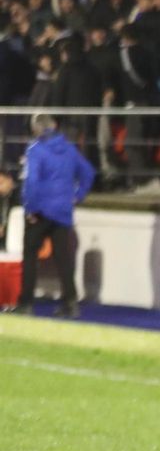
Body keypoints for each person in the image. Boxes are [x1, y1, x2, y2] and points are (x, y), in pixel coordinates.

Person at [11, 114, 94, 317]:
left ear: (36, 129)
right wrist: (78, 195)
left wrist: (30, 209)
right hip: (63, 210)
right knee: (63, 258)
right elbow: (89, 172)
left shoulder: (35, 149)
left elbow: (31, 182)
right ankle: (70, 302)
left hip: (40, 210)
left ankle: (26, 303)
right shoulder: (68, 148)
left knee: (30, 256)